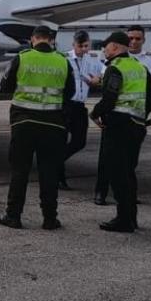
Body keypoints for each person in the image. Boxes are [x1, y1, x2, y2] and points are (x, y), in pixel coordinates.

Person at [0, 25, 76, 230]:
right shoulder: (63, 61)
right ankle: (50, 218)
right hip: (53, 124)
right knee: (49, 173)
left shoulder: (22, 57)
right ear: (50, 40)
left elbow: (4, 86)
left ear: (33, 39)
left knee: (19, 171)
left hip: (24, 123)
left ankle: (13, 216)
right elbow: (71, 92)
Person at [90, 31, 151, 232]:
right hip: (137, 125)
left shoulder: (115, 68)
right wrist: (142, 113)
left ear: (116, 47)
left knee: (117, 173)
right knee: (128, 172)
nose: (104, 49)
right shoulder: (140, 67)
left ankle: (123, 219)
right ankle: (131, 218)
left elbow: (110, 96)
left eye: (107, 46)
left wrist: (95, 114)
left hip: (119, 126)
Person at [57, 31, 104, 190]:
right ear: (73, 45)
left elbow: (106, 71)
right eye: (80, 46)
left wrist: (99, 79)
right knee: (60, 141)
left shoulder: (92, 59)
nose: (84, 49)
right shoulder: (64, 58)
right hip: (65, 106)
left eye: (86, 46)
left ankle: (54, 162)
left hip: (79, 107)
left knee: (80, 142)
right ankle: (59, 177)